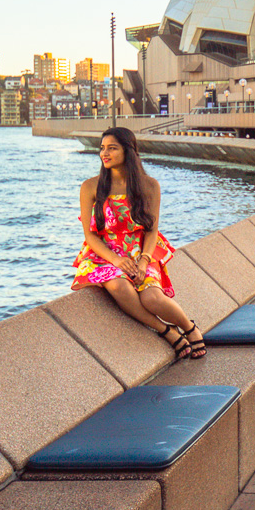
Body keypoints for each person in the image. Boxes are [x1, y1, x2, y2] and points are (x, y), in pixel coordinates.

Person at [71, 127, 206, 362]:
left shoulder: (149, 186)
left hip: (141, 249)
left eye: (112, 148)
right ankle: (167, 331)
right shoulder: (90, 187)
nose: (104, 153)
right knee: (119, 287)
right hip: (102, 253)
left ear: (129, 151)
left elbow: (152, 230)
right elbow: (90, 236)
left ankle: (189, 327)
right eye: (102, 148)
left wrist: (143, 261)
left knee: (152, 298)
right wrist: (116, 260)